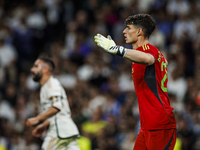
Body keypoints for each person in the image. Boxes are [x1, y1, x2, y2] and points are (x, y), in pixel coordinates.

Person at [94, 14, 177, 150]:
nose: (124, 31)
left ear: (139, 32)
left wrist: (116, 49)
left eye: (128, 28)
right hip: (147, 126)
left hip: (159, 124)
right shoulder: (150, 53)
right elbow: (162, 62)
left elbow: (148, 59)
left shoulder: (148, 51)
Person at [26, 57, 80, 150]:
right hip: (67, 130)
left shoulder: (51, 85)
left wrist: (37, 119)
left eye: (36, 66)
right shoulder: (47, 86)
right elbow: (58, 113)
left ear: (45, 69)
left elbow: (56, 107)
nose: (32, 69)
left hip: (59, 131)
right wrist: (44, 125)